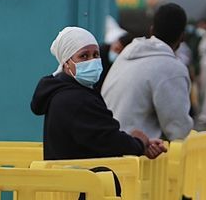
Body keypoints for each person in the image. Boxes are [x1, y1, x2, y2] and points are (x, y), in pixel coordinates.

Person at [30, 26, 167, 160]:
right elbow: (108, 140)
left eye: (96, 55)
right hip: (81, 179)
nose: (92, 61)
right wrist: (139, 143)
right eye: (83, 56)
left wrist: (138, 143)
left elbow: (97, 135)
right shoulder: (76, 99)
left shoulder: (63, 92)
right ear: (66, 63)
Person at [102, 3, 194, 141]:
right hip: (135, 151)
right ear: (182, 37)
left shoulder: (126, 54)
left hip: (108, 142)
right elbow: (177, 129)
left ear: (151, 30)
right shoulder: (171, 68)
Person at [96, 28, 132, 92]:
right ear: (114, 42)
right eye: (116, 49)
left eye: (120, 52)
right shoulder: (99, 53)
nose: (116, 53)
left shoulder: (127, 62)